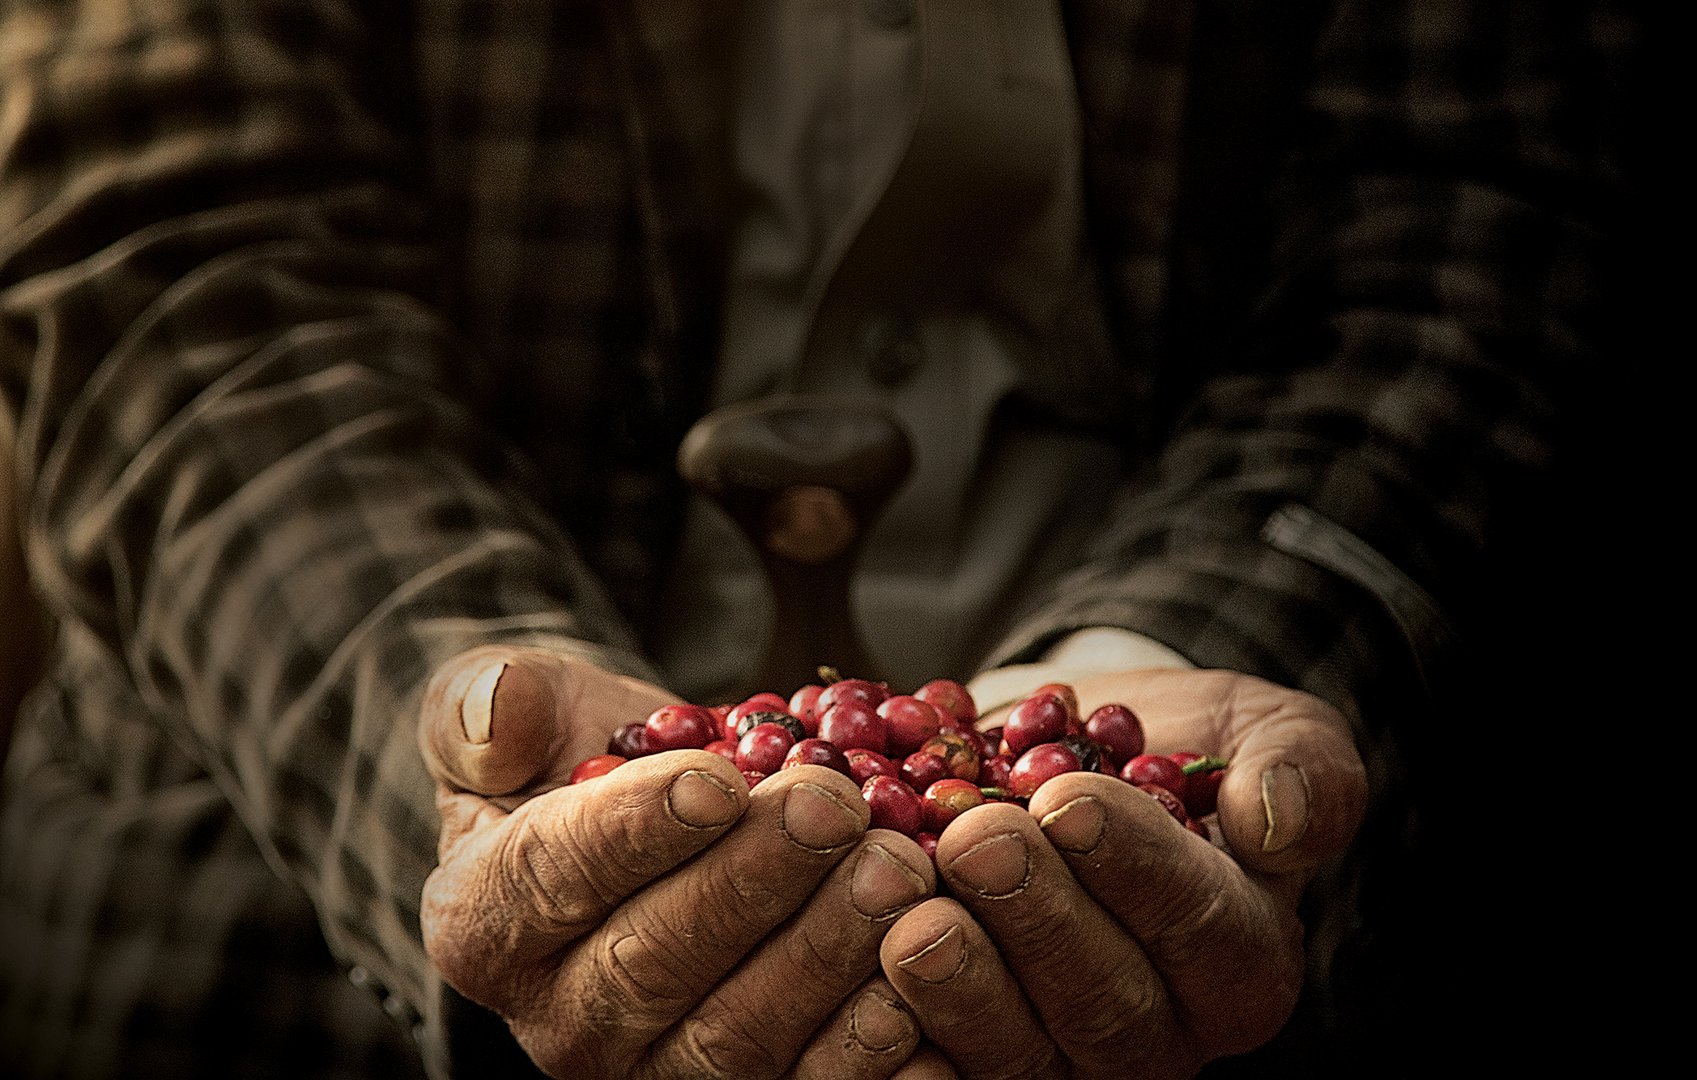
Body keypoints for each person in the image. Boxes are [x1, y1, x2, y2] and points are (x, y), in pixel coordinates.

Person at [0, 1, 1645, 1078]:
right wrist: (438, 721)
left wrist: (1201, 649)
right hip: (256, 967)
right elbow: (174, 255)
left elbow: (1470, 217)